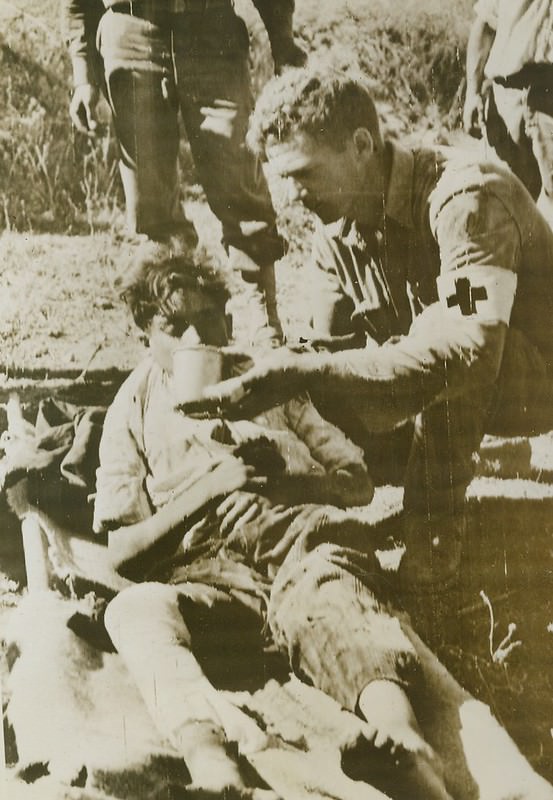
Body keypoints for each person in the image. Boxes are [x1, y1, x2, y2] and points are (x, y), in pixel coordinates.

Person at [180, 65, 553, 599]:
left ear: (361, 145)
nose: (291, 196)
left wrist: (310, 369)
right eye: (281, 179)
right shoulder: (336, 235)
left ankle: (432, 544)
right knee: (315, 384)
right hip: (450, 377)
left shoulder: (464, 199)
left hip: (535, 376)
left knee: (443, 344)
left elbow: (472, 348)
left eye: (302, 173)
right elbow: (325, 353)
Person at [94, 248, 454, 799]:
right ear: (147, 334)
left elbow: (357, 482)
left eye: (207, 319)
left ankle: (400, 743)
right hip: (211, 577)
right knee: (133, 610)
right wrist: (210, 489)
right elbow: (121, 553)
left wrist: (291, 483)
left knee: (331, 599)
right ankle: (212, 762)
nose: (195, 337)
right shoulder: (133, 407)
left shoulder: (270, 383)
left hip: (301, 545)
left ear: (229, 321)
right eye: (174, 325)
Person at [62, 0, 307, 343]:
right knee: (150, 196)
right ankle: (177, 318)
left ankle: (260, 311)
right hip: (131, 34)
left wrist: (283, 43)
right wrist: (83, 74)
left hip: (211, 31)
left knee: (236, 169)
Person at [463, 0, 553, 227]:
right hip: (506, 98)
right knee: (501, 202)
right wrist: (472, 93)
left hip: (548, 97)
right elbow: (484, 26)